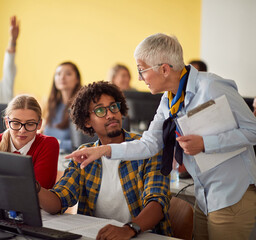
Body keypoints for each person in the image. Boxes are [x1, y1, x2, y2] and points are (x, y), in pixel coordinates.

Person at [67, 33, 256, 240]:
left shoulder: (211, 86)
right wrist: (103, 150)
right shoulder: (169, 99)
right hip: (205, 196)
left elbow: (253, 130)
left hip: (232, 195)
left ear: (164, 69)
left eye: (141, 70)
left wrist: (205, 144)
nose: (139, 77)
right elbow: (148, 144)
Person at [38, 81, 172, 239]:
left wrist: (128, 229)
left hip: (143, 235)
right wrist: (34, 188)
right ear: (87, 121)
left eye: (113, 107)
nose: (110, 114)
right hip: (99, 235)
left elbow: (157, 202)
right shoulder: (84, 156)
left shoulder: (147, 148)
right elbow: (59, 201)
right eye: (100, 110)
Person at [0, 94, 59, 189]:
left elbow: (39, 189)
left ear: (39, 124)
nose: (22, 130)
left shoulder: (48, 144)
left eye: (30, 124)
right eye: (15, 123)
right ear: (7, 122)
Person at [42, 61, 82, 153]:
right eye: (58, 74)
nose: (62, 77)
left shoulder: (81, 107)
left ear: (77, 79)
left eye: (68, 74)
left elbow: (80, 144)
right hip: (49, 154)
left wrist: (56, 143)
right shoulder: (51, 105)